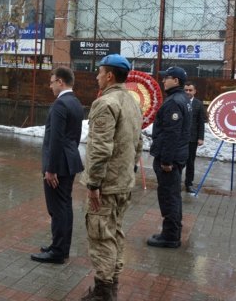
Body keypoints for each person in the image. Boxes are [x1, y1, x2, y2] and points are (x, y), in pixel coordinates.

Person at [79, 54, 142, 301]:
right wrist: (129, 172)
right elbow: (138, 144)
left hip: (106, 184)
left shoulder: (106, 103)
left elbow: (99, 148)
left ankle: (104, 292)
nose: (96, 76)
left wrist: (93, 184)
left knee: (100, 235)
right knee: (114, 232)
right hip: (123, 182)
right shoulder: (132, 102)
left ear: (109, 75)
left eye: (99, 72)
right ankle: (110, 285)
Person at [31, 66, 84, 265]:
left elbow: (56, 139)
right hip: (69, 162)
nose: (50, 85)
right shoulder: (76, 103)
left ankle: (58, 252)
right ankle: (60, 247)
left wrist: (50, 169)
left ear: (60, 82)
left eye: (52, 81)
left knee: (58, 209)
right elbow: (75, 137)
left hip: (58, 166)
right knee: (64, 207)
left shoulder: (61, 104)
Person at [147, 66, 191, 249]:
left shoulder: (174, 102)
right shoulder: (182, 99)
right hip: (177, 156)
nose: (163, 80)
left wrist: (166, 161)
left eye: (167, 77)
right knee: (172, 195)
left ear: (177, 81)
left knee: (169, 197)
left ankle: (171, 236)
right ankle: (171, 232)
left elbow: (172, 134)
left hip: (170, 159)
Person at [183, 82, 206, 194]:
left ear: (194, 91)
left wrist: (200, 138)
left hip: (192, 139)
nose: (188, 92)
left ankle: (189, 184)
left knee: (190, 162)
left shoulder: (198, 104)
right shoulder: (179, 102)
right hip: (180, 138)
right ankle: (175, 182)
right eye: (186, 90)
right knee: (178, 161)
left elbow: (201, 123)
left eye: (190, 90)